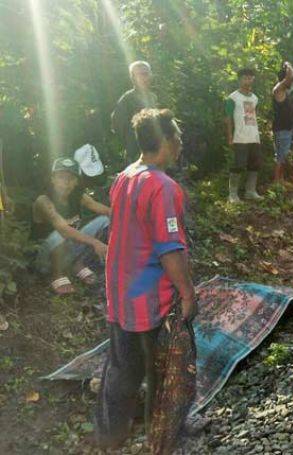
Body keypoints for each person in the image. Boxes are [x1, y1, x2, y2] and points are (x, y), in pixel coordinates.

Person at [96, 108, 197, 450]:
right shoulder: (163, 187)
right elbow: (169, 248)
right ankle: (161, 436)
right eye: (178, 138)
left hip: (121, 292)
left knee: (122, 367)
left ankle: (110, 434)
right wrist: (186, 293)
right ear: (165, 141)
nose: (181, 144)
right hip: (151, 297)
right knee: (163, 371)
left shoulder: (124, 177)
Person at [32, 158, 110, 295]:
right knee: (61, 233)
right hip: (45, 258)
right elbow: (63, 229)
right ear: (53, 179)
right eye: (61, 177)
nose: (65, 182)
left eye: (70, 178)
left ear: (76, 182)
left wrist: (133, 215)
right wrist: (95, 242)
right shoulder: (43, 200)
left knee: (105, 221)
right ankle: (57, 274)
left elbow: (104, 210)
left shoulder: (79, 196)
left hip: (68, 251)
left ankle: (76, 264)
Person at [225, 68, 263, 203]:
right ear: (239, 79)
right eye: (245, 77)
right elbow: (228, 118)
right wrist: (230, 137)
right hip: (239, 137)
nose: (248, 80)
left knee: (255, 164)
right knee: (238, 165)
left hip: (253, 136)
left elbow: (253, 116)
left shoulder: (255, 98)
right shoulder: (232, 98)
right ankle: (233, 194)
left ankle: (250, 191)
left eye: (250, 77)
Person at [111, 61, 158, 165]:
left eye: (147, 73)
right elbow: (116, 124)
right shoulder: (128, 99)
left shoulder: (153, 97)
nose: (145, 77)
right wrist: (130, 141)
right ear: (133, 77)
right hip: (136, 154)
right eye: (141, 74)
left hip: (154, 150)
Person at [272, 62, 293, 183]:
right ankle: (276, 181)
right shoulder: (278, 89)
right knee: (280, 156)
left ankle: (280, 179)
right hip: (281, 129)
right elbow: (291, 75)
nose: (291, 83)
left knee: (283, 155)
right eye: (289, 81)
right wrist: (288, 65)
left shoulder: (285, 90)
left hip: (286, 128)